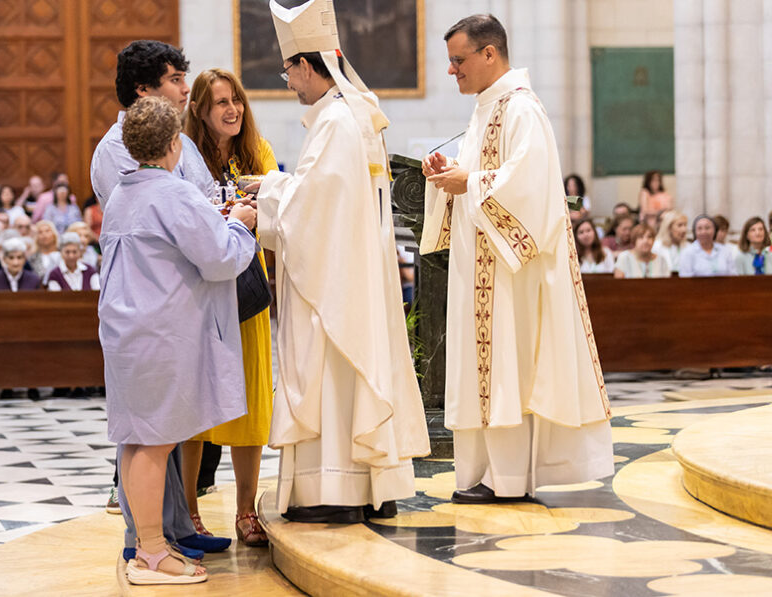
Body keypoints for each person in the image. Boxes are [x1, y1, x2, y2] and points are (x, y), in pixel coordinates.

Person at [420, 14, 613, 504]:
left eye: (458, 60)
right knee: (485, 369)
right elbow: (482, 176)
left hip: (509, 275)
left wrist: (472, 183)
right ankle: (483, 473)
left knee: (505, 369)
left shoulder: (521, 109)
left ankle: (507, 478)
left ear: (490, 54)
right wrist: (450, 176)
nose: (451, 71)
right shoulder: (486, 109)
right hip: (480, 269)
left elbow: (533, 190)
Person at [257, 0, 430, 523]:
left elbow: (313, 206)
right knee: (359, 371)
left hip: (334, 280)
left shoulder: (334, 119)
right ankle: (374, 485)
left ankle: (334, 490)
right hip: (358, 271)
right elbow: (325, 193)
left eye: (288, 69)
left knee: (332, 373)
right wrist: (277, 187)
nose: (288, 80)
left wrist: (264, 194)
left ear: (307, 66)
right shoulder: (356, 111)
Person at [100, 96, 257, 585]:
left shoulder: (124, 193)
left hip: (129, 331)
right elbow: (221, 259)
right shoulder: (173, 193)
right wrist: (240, 224)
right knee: (154, 441)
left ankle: (148, 544)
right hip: (158, 333)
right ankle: (150, 553)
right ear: (174, 145)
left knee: (137, 439)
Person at [89, 39, 229, 558]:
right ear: (144, 89)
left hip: (178, 303)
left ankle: (176, 526)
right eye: (174, 80)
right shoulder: (119, 151)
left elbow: (200, 197)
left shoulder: (178, 139)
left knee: (165, 427)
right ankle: (148, 539)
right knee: (149, 432)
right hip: (153, 302)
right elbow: (167, 216)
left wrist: (215, 213)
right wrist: (225, 226)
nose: (182, 88)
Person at [182, 66, 276, 545]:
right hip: (200, 293)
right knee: (195, 409)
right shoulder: (185, 157)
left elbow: (282, 206)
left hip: (246, 288)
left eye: (236, 99)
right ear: (199, 109)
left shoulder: (256, 153)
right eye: (220, 102)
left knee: (250, 401)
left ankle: (245, 513)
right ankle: (190, 516)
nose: (232, 109)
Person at [90, 41, 214, 210]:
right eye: (175, 79)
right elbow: (149, 215)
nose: (186, 89)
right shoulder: (116, 147)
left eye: (184, 79)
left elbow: (210, 199)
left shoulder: (185, 142)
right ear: (143, 89)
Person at [654, 210, 689, 274]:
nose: (684, 229)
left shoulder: (689, 246)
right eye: (680, 225)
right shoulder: (657, 246)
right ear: (669, 227)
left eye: (685, 225)